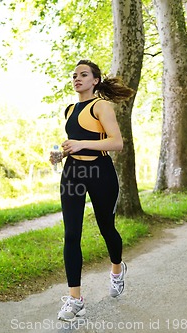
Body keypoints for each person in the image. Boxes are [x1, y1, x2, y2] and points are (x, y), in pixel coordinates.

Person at [49, 59, 135, 322]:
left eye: (83, 75)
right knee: (71, 233)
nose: (77, 79)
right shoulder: (70, 109)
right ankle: (75, 300)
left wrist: (79, 143)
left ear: (95, 80)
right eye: (74, 75)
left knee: (106, 226)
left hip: (100, 173)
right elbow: (73, 145)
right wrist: (60, 155)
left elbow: (116, 143)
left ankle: (117, 269)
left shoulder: (102, 106)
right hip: (74, 173)